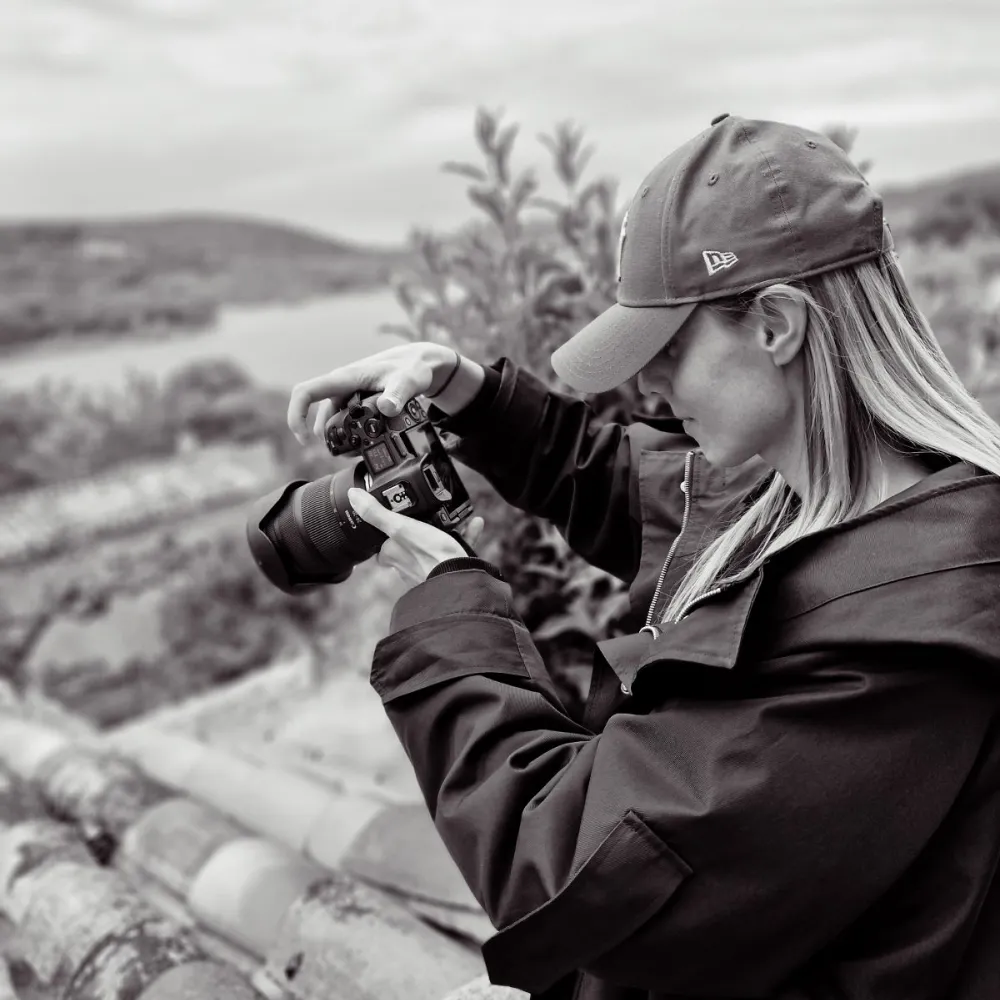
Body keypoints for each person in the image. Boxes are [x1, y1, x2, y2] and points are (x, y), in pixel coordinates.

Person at [285, 115, 1000, 999]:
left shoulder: (910, 640)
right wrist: (463, 388)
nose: (646, 385)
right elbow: (619, 481)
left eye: (665, 351)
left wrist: (448, 604)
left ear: (776, 324)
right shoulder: (796, 489)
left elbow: (576, 871)